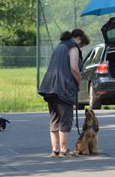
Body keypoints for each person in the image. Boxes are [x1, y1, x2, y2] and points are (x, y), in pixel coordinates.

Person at [39, 29, 90, 158]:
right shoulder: (73, 47)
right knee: (65, 119)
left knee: (54, 118)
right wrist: (79, 83)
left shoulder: (60, 45)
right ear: (78, 38)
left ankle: (55, 150)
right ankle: (64, 150)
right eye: (82, 45)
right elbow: (74, 68)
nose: (81, 48)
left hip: (49, 86)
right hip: (63, 87)